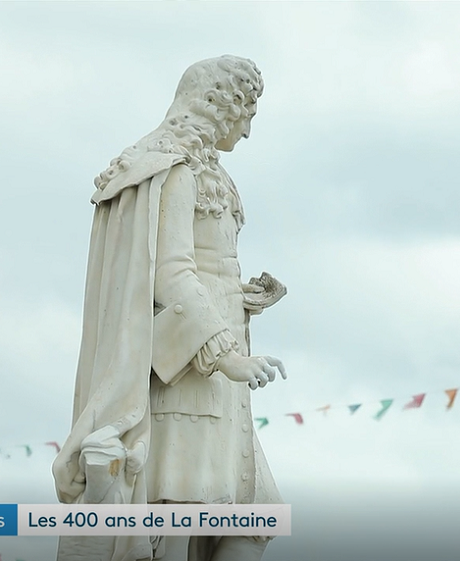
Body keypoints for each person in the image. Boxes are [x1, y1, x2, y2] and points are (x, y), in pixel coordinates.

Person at [52, 55, 287, 561]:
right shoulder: (172, 168)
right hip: (186, 375)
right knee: (186, 516)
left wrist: (241, 296)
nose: (247, 130)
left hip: (215, 376)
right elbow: (170, 274)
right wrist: (227, 356)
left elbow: (202, 270)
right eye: (246, 114)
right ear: (221, 106)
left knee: (252, 518)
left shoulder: (205, 170)